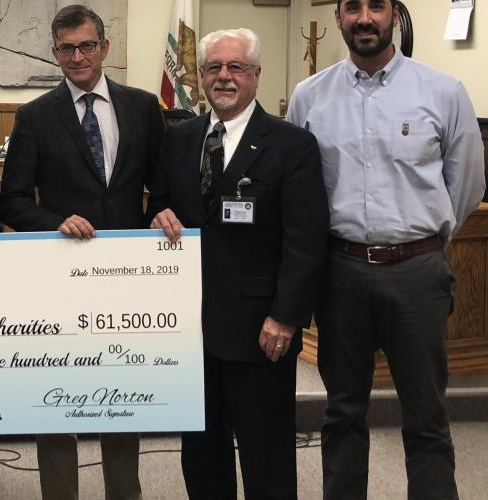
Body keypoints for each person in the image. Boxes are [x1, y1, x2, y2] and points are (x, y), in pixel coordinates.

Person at [286, 1, 485, 498]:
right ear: (338, 17)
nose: (364, 18)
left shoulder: (442, 92)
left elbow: (466, 186)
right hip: (341, 273)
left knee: (426, 415)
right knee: (342, 413)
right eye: (352, 7)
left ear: (393, 15)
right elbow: (298, 190)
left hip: (416, 272)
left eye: (376, 6)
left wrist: (423, 241)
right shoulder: (309, 97)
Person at [148, 28, 329, 499]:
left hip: (260, 330)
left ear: (256, 75)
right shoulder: (179, 138)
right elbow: (162, 205)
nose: (224, 77)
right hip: (188, 330)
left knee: (265, 457)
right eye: (214, 68)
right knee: (202, 457)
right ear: (202, 76)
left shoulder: (291, 145)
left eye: (236, 68)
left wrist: (286, 316)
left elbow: (305, 241)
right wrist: (156, 214)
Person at [0, 5, 164, 500]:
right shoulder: (34, 116)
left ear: (104, 48)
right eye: (67, 48)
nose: (78, 56)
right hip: (60, 277)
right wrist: (55, 223)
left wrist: (165, 211)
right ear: (54, 53)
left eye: (87, 45)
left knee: (121, 396)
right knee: (58, 398)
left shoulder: (143, 107)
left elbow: (166, 184)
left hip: (127, 276)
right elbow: (12, 202)